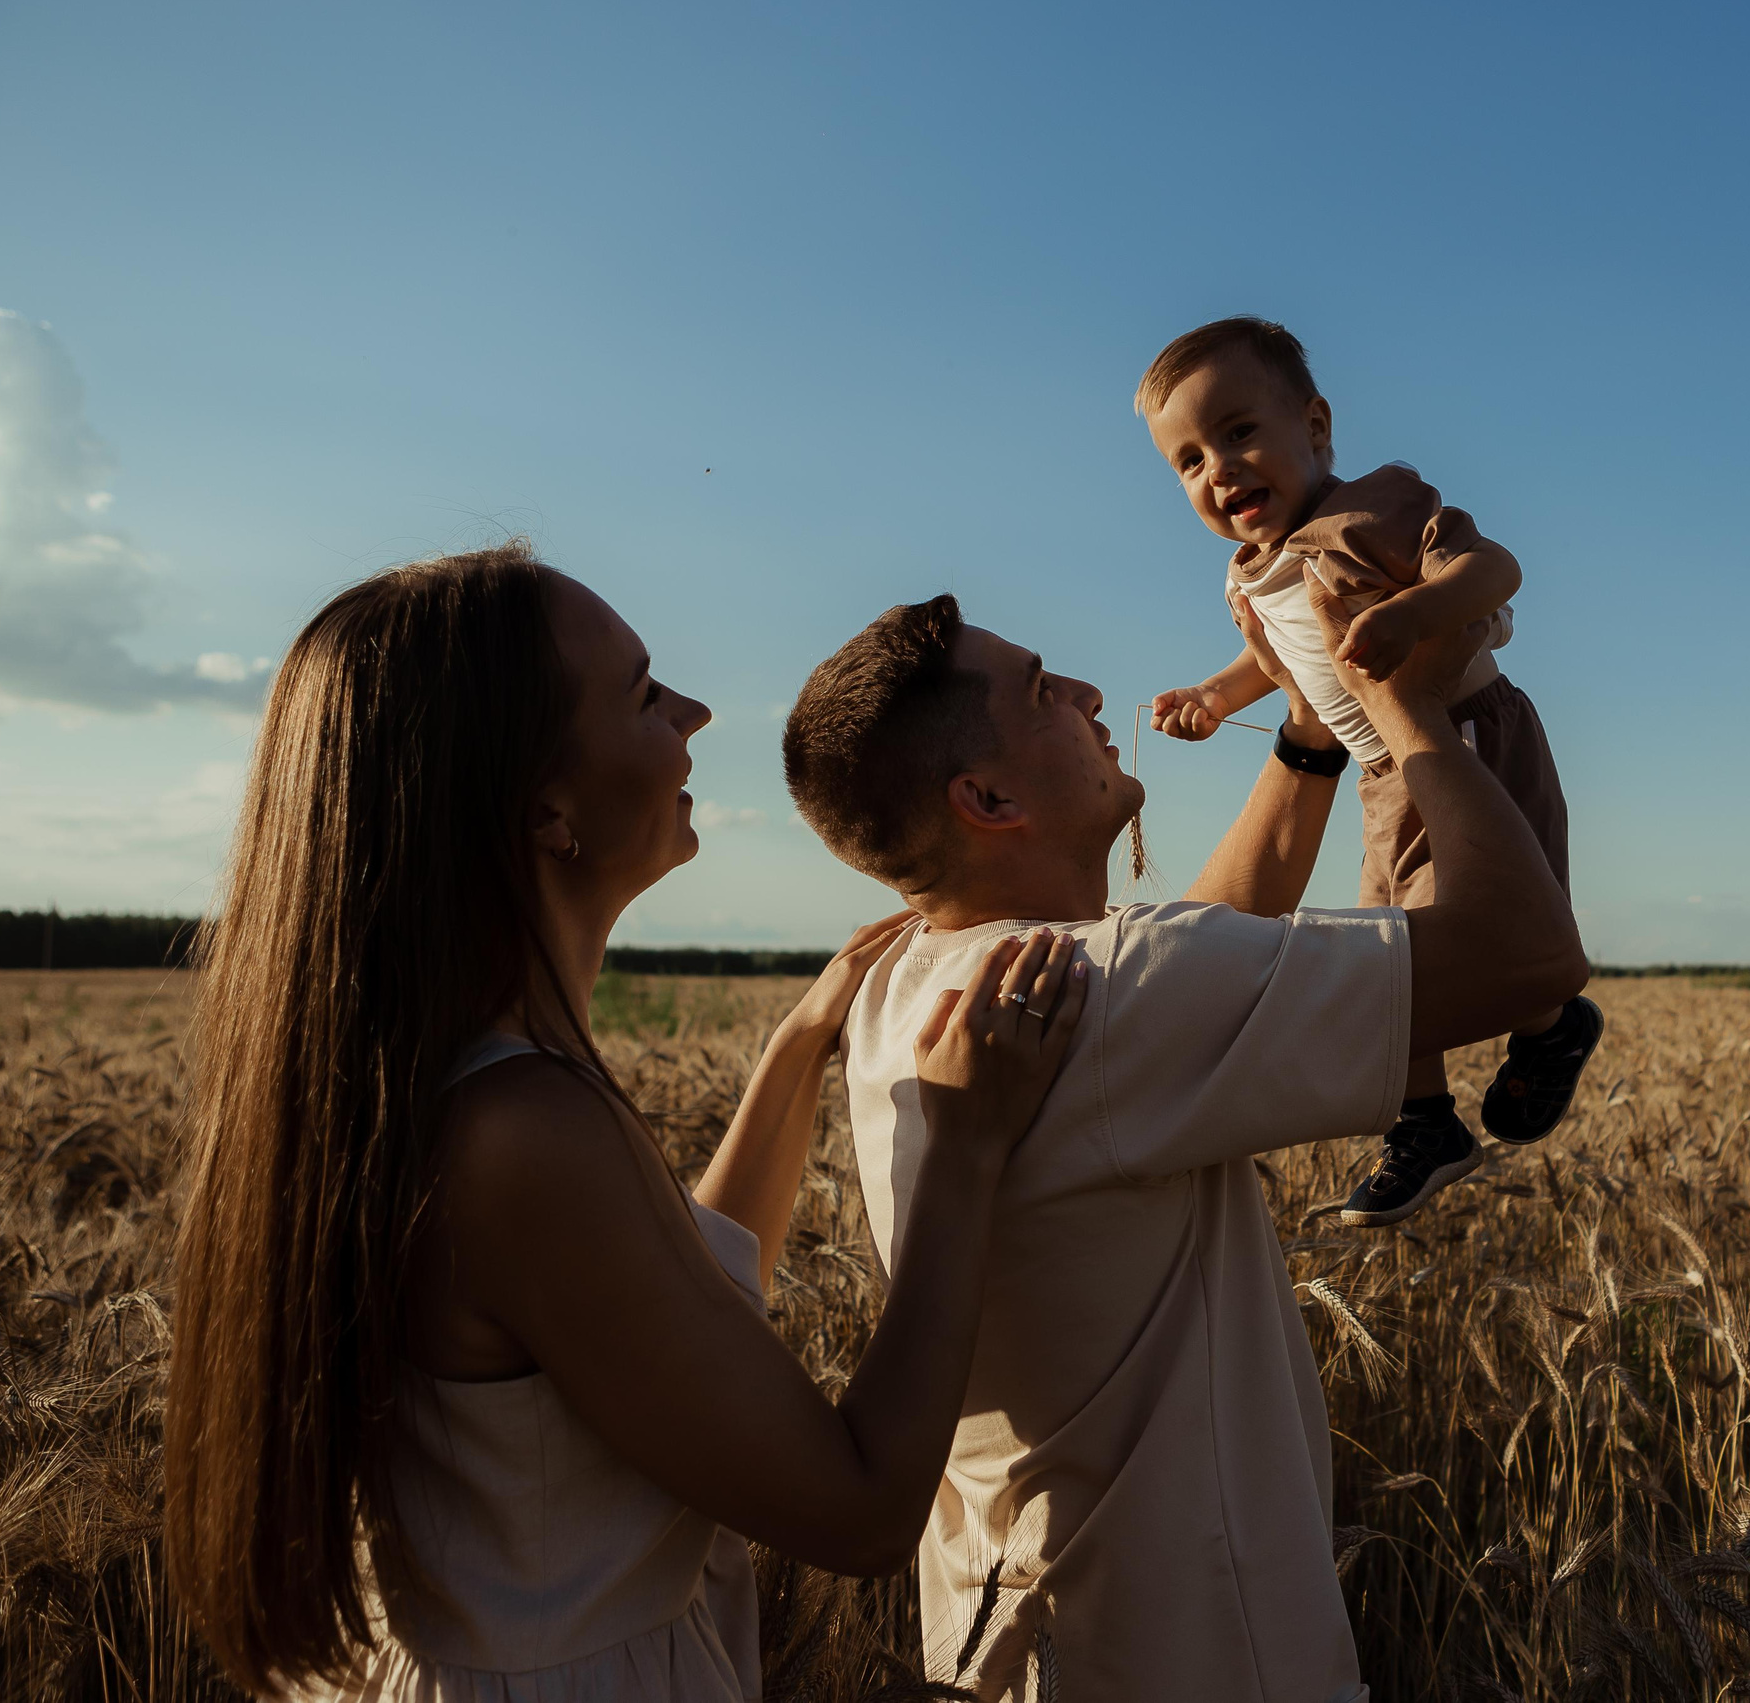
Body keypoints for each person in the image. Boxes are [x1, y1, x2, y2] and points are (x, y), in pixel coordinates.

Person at [163, 541, 1088, 1702]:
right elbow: (856, 1510)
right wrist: (960, 1152)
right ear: (547, 807)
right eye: (646, 692)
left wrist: (794, 1055)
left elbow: (676, 1309)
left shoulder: (478, 1089)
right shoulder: (519, 1134)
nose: (697, 711)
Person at [779, 576, 1587, 1700]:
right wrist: (1403, 710)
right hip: (1198, 1652)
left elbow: (1197, 955)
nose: (1088, 690)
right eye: (1040, 689)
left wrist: (1307, 739)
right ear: (989, 796)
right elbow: (1527, 953)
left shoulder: (912, 978)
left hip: (1014, 1637)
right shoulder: (1117, 1001)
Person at [1138, 315, 1604, 1227]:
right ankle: (1425, 1123)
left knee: (1470, 921)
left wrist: (1413, 612)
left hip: (1466, 737)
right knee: (1383, 944)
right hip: (1382, 770)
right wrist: (1214, 696)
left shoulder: (1374, 509)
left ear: (1314, 425)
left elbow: (1494, 567)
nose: (1218, 469)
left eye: (1238, 433)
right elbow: (1280, 656)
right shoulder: (1249, 575)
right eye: (1189, 460)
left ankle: (1551, 1024)